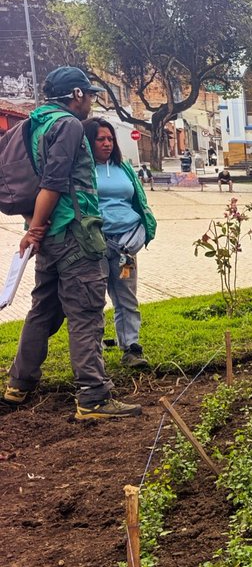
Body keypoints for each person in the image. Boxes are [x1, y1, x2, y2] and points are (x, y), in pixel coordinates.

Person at [4, 66, 141, 419]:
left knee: (43, 311)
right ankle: (93, 397)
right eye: (89, 94)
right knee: (85, 313)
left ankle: (18, 385)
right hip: (75, 234)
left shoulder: (34, 123)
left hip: (50, 234)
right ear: (77, 95)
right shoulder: (67, 125)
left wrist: (37, 229)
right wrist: (34, 229)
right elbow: (53, 182)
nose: (91, 101)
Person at [84, 117, 157, 369]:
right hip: (96, 245)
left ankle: (131, 348)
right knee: (94, 300)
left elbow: (138, 201)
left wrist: (141, 231)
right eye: (100, 139)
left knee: (126, 297)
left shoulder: (123, 168)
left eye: (110, 138)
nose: (106, 143)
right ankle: (92, 354)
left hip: (126, 244)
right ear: (88, 142)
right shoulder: (82, 170)